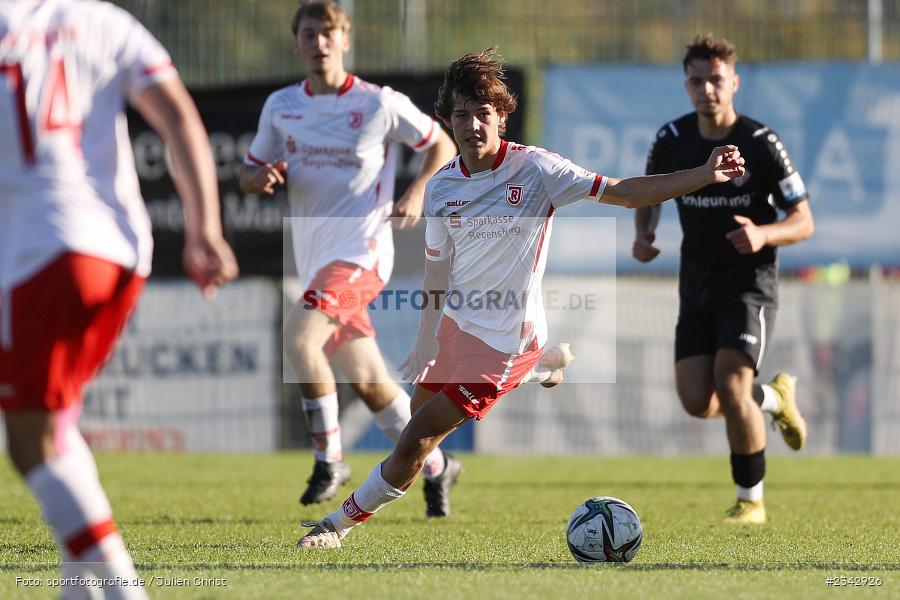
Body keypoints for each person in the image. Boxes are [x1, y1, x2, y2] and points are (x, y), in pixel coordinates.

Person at [297, 47, 746, 549]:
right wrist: (426, 338)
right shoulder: (442, 186)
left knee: (413, 443)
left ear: (502, 116)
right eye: (461, 115)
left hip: (500, 346)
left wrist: (704, 174)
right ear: (447, 120)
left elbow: (626, 192)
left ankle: (334, 529)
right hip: (455, 329)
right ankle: (539, 366)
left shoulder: (536, 170)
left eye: (483, 114)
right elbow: (438, 267)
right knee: (414, 431)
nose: (472, 126)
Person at [0, 0, 238, 597]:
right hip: (123, 250)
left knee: (32, 443)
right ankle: (81, 588)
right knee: (57, 423)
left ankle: (119, 585)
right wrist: (204, 227)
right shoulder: (106, 20)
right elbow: (179, 117)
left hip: (44, 254)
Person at [238, 1, 462, 515]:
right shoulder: (281, 106)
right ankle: (437, 465)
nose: (318, 43)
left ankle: (329, 458)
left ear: (345, 40)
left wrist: (417, 192)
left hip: (362, 253)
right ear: (296, 43)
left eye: (327, 34)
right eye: (309, 34)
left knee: (298, 339)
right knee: (369, 381)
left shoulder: (378, 103)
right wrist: (259, 178)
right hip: (315, 261)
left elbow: (440, 144)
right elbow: (250, 172)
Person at [632, 34, 815, 525]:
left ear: (734, 82)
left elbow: (804, 220)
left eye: (716, 80)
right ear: (686, 85)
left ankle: (750, 499)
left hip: (748, 282)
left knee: (732, 383)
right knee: (698, 400)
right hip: (696, 282)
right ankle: (774, 398)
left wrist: (763, 233)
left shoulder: (761, 142)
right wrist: (644, 234)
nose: (706, 90)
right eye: (697, 81)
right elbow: (649, 194)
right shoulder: (671, 140)